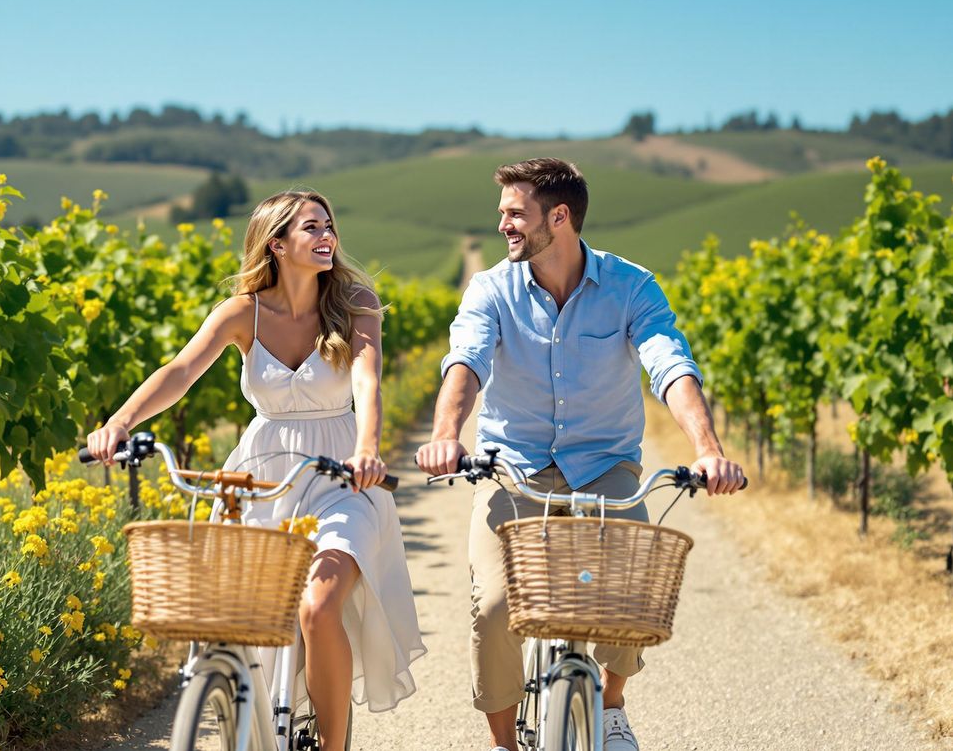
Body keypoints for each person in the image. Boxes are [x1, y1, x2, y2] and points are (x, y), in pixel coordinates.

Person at [415, 158, 744, 751]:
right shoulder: (491, 289)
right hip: (511, 468)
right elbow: (465, 362)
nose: (504, 226)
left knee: (633, 590)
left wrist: (707, 448)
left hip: (603, 465)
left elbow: (668, 363)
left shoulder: (631, 286)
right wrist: (446, 435)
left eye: (515, 214)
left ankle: (611, 702)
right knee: (494, 608)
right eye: (502, 214)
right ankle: (503, 743)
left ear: (559, 217)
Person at [87, 190, 424, 751]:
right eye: (311, 228)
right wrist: (119, 421)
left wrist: (368, 448)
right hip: (261, 473)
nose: (327, 237)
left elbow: (367, 382)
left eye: (329, 226)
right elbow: (180, 371)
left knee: (318, 607)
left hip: (342, 473)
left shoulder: (355, 302)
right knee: (242, 619)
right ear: (277, 243)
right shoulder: (242, 312)